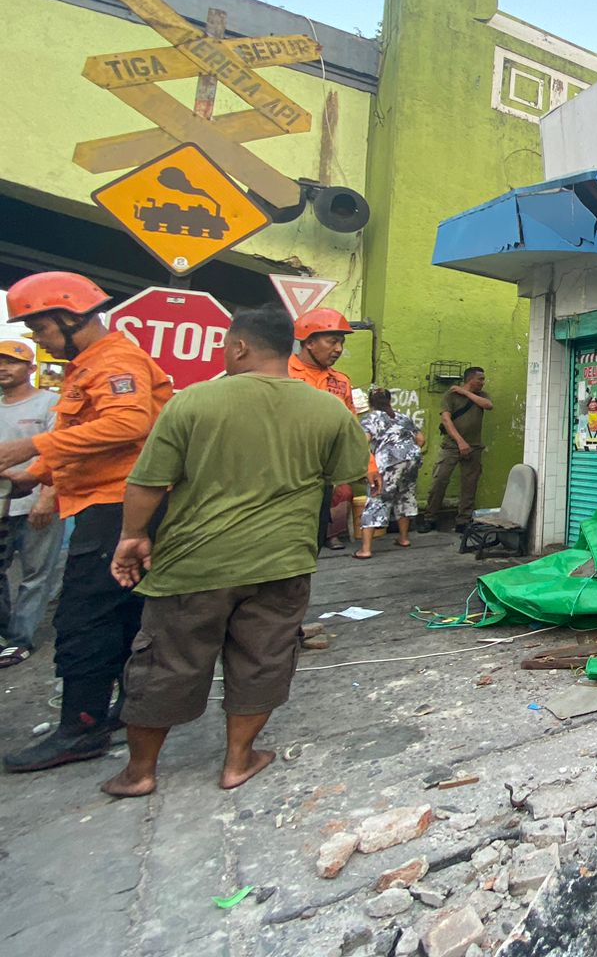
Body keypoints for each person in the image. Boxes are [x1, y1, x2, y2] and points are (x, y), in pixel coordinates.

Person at [98, 305, 370, 798]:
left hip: (194, 562)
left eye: (227, 344)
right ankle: (238, 761)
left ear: (240, 346)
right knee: (263, 659)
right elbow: (347, 483)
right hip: (282, 561)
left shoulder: (192, 402)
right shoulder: (328, 408)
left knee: (167, 662)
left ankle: (139, 772)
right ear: (291, 346)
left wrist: (132, 536)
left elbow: (148, 481)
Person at [0, 273, 172, 772]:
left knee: (84, 620)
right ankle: (119, 709)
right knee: (121, 616)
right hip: (102, 505)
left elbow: (128, 425)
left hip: (118, 508)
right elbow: (84, 435)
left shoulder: (116, 362)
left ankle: (82, 727)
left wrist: (32, 447)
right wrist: (34, 475)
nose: (38, 339)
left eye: (41, 328)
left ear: (72, 316)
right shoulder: (85, 367)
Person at [0, 340, 67, 668]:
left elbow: (60, 456)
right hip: (2, 506)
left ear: (30, 369)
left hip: (36, 505)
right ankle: (3, 632)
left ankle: (20, 639)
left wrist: (46, 498)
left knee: (35, 574)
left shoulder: (50, 404)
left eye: (12, 362)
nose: (3, 368)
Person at [287, 308, 358, 551]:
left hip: (322, 478)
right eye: (332, 341)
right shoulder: (281, 373)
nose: (338, 349)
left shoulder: (341, 382)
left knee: (310, 549)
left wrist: (368, 466)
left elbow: (352, 428)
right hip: (286, 478)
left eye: (341, 342)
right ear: (309, 342)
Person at [419, 367, 492, 533]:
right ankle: (430, 517)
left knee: (469, 484)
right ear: (470, 379)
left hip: (474, 446)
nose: (483, 382)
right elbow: (446, 420)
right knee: (440, 480)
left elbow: (488, 406)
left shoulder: (481, 396)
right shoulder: (450, 396)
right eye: (480, 379)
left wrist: (466, 393)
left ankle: (463, 520)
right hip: (451, 446)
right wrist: (460, 442)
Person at [356, 388, 424, 558]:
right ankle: (403, 538)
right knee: (405, 495)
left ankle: (365, 549)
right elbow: (421, 440)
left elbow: (362, 442)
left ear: (371, 403)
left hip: (389, 462)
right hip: (412, 459)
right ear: (389, 400)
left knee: (377, 498)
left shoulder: (371, 418)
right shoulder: (402, 417)